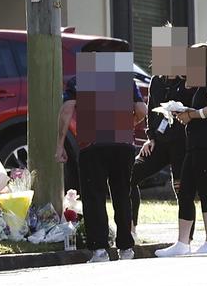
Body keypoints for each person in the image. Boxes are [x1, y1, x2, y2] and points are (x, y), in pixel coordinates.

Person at [56, 74, 146, 263]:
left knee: (94, 197)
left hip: (92, 144)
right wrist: (129, 124)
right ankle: (126, 247)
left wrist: (60, 144)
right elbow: (141, 109)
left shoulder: (78, 80)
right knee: (122, 194)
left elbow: (66, 111)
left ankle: (99, 250)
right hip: (122, 144)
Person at [155, 43, 207, 257]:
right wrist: (186, 113)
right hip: (196, 145)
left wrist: (192, 115)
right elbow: (203, 109)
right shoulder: (201, 81)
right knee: (186, 191)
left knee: (206, 191)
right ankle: (182, 243)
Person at [130, 74, 195, 240]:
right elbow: (151, 112)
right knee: (130, 175)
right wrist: (150, 138)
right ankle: (131, 230)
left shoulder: (190, 79)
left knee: (182, 188)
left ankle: (186, 239)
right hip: (159, 141)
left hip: (183, 142)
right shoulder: (156, 81)